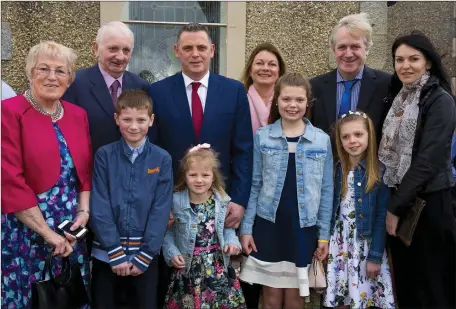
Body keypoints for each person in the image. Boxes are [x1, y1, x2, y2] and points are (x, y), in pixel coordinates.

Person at [148, 23, 253, 307]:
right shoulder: (157, 93)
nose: (195, 54)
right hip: (174, 209)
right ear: (177, 52)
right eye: (188, 48)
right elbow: (152, 154)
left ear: (212, 50)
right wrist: (161, 205)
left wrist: (240, 201)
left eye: (201, 48)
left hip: (219, 207)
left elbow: (244, 151)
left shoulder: (233, 91)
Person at [1, 41, 92, 308]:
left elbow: (84, 173)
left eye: (60, 71)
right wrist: (48, 235)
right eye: (44, 69)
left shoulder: (78, 115)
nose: (52, 77)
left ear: (70, 78)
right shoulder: (9, 112)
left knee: (67, 295)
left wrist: (83, 216)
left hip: (70, 232)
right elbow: (9, 180)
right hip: (27, 229)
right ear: (30, 72)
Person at [239, 73, 334, 309]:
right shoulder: (263, 137)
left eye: (299, 100)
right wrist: (247, 229)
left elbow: (326, 190)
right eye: (286, 99)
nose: (293, 105)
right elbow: (255, 185)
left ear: (308, 102)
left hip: (303, 228)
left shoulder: (321, 140)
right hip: (268, 225)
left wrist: (323, 235)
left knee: (295, 299)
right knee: (270, 298)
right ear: (277, 101)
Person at [379, 31, 456, 309]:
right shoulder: (397, 97)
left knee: (433, 286)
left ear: (429, 63)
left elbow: (427, 161)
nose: (405, 65)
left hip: (430, 205)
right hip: (402, 201)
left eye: (414, 59)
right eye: (399, 59)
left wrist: (394, 208)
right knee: (408, 284)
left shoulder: (440, 101)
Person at [90, 89, 173, 309]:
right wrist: (114, 251)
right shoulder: (104, 156)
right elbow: (99, 204)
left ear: (151, 120)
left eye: (141, 120)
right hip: (106, 255)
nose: (134, 126)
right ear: (117, 119)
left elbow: (161, 208)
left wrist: (146, 253)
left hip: (145, 257)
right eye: (127, 119)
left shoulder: (161, 158)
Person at [323, 111, 395, 308]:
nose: (352, 141)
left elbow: (381, 216)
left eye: (358, 134)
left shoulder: (378, 172)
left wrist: (374, 256)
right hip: (340, 244)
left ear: (369, 135)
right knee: (341, 297)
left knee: (365, 298)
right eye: (345, 137)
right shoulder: (337, 169)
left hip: (365, 245)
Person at [162, 144, 247, 309]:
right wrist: (171, 253)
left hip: (217, 271)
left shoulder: (222, 201)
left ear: (213, 177)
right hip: (188, 271)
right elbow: (168, 233)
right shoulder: (175, 202)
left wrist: (233, 244)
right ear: (185, 176)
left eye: (205, 175)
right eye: (193, 175)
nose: (199, 180)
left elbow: (227, 229)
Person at [63, 21, 149, 154]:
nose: (120, 57)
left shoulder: (141, 86)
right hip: (90, 170)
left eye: (126, 50)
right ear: (96, 48)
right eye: (113, 49)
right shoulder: (74, 84)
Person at [310, 13, 391, 143]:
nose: (348, 54)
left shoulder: (387, 85)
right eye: (342, 47)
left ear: (367, 49)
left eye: (355, 46)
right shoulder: (315, 86)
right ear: (333, 50)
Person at [241, 42, 286, 134]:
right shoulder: (239, 100)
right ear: (250, 70)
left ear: (279, 71)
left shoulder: (287, 101)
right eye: (259, 63)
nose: (265, 68)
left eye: (272, 64)